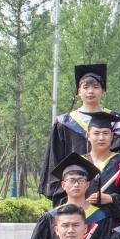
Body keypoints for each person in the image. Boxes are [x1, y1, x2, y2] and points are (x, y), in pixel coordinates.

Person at [26, 154, 112, 239]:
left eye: (80, 180)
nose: (76, 185)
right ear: (63, 185)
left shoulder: (101, 218)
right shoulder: (51, 218)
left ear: (87, 184)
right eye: (71, 180)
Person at [39, 63, 111, 199]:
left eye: (96, 87)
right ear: (78, 91)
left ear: (103, 90)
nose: (90, 91)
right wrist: (63, 195)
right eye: (86, 87)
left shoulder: (115, 121)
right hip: (72, 194)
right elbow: (55, 160)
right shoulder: (65, 123)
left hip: (106, 192)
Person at [81, 111, 120, 222]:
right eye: (96, 133)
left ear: (112, 136)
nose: (101, 138)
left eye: (105, 133)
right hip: (83, 223)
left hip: (113, 225)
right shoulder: (78, 163)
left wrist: (112, 198)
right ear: (88, 136)